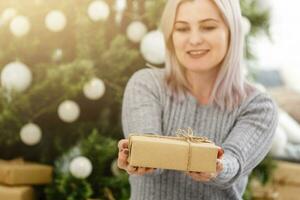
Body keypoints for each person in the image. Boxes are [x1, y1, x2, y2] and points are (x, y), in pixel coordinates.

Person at [117, 0, 278, 199]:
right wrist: (140, 157)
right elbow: (148, 149)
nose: (194, 40)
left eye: (208, 27)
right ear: (170, 36)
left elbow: (234, 162)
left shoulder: (258, 106)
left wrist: (217, 167)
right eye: (182, 29)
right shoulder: (146, 84)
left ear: (231, 32)